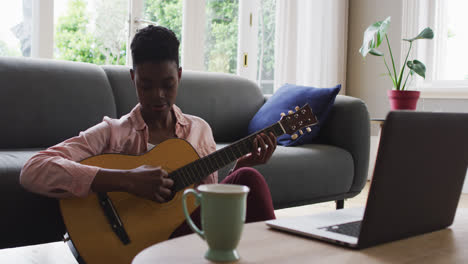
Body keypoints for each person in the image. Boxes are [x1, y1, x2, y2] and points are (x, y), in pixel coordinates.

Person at [20, 25, 277, 238]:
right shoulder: (112, 132)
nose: (158, 96)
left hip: (184, 236)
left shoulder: (199, 130)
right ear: (133, 78)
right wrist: (127, 180)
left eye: (167, 84)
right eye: (146, 85)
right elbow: (34, 169)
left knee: (248, 177)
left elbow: (203, 205)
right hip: (133, 240)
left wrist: (240, 167)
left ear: (179, 75)